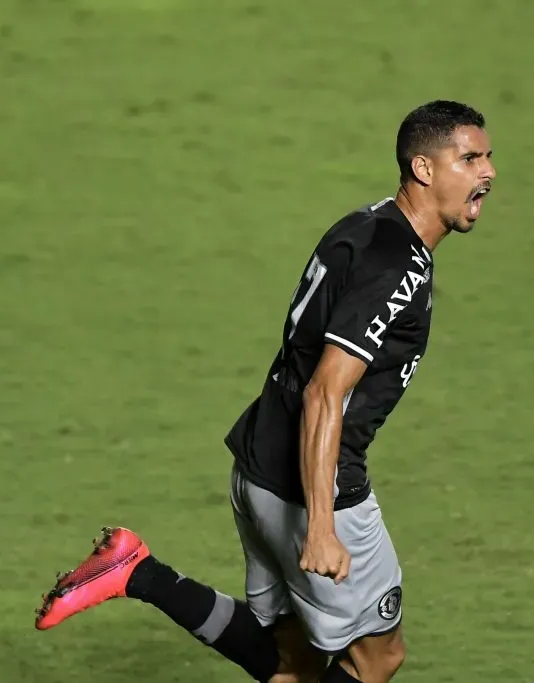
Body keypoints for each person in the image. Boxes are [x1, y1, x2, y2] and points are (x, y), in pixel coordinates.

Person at [34, 100, 497, 683]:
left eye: (488, 157)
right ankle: (137, 573)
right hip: (315, 488)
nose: (488, 172)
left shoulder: (365, 225)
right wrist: (323, 528)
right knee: (378, 657)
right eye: (470, 158)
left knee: (293, 664)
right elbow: (325, 393)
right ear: (423, 168)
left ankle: (135, 572)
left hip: (258, 466)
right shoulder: (396, 268)